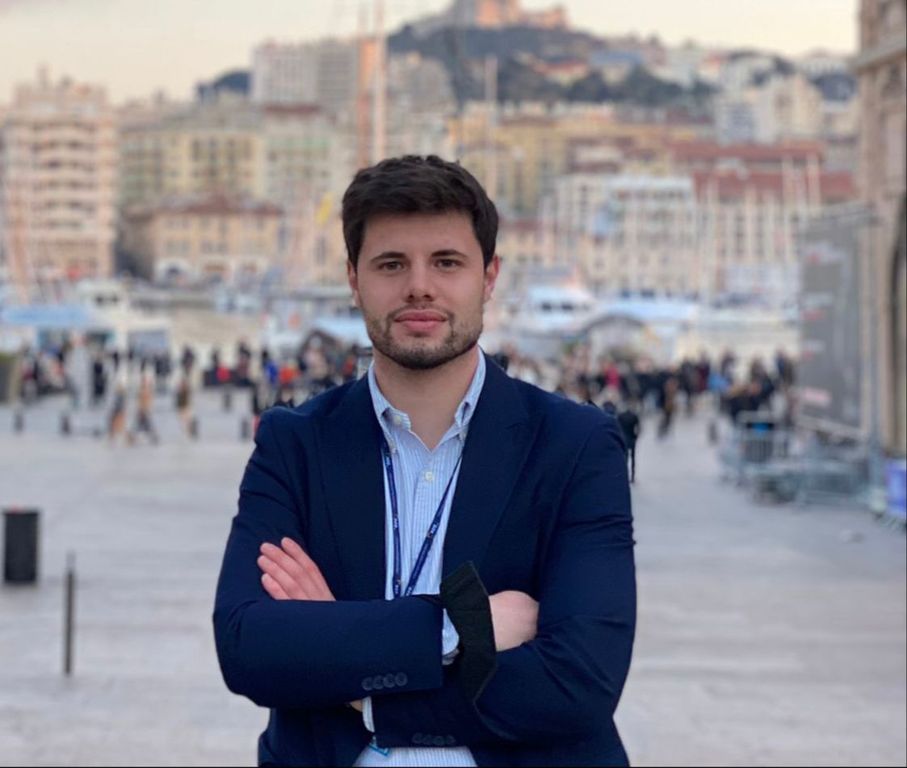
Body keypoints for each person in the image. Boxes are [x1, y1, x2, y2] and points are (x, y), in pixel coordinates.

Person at [213, 155, 636, 767]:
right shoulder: (295, 444)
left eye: (446, 262)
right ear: (354, 279)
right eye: (391, 264)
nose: (419, 286)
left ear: (489, 277)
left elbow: (580, 681)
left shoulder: (575, 446)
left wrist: (359, 682)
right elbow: (248, 646)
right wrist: (458, 627)